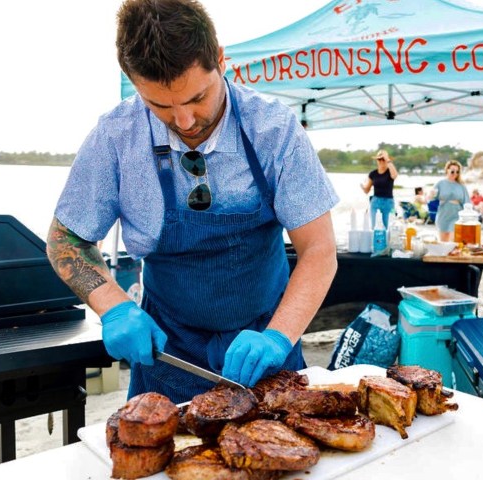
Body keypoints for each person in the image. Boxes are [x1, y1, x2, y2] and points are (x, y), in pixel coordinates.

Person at [45, 0, 338, 403]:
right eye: (161, 106)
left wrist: (277, 336)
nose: (184, 122)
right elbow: (66, 240)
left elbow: (319, 250)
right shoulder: (115, 138)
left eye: (198, 97)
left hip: (267, 343)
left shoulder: (274, 129)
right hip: (169, 354)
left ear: (220, 60)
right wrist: (112, 305)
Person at [430, 160, 470, 241]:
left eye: (457, 172)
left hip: (457, 215)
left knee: (452, 241)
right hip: (443, 215)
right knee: (443, 243)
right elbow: (432, 197)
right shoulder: (440, 183)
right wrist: (430, 195)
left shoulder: (461, 185)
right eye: (452, 171)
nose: (455, 173)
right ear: (447, 170)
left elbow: (467, 202)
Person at [361, 149, 398, 228]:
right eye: (379, 159)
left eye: (383, 159)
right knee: (374, 227)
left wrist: (387, 160)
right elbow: (367, 190)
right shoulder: (373, 173)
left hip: (388, 202)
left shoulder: (390, 172)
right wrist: (362, 186)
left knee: (388, 226)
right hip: (375, 201)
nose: (381, 161)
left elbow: (394, 175)